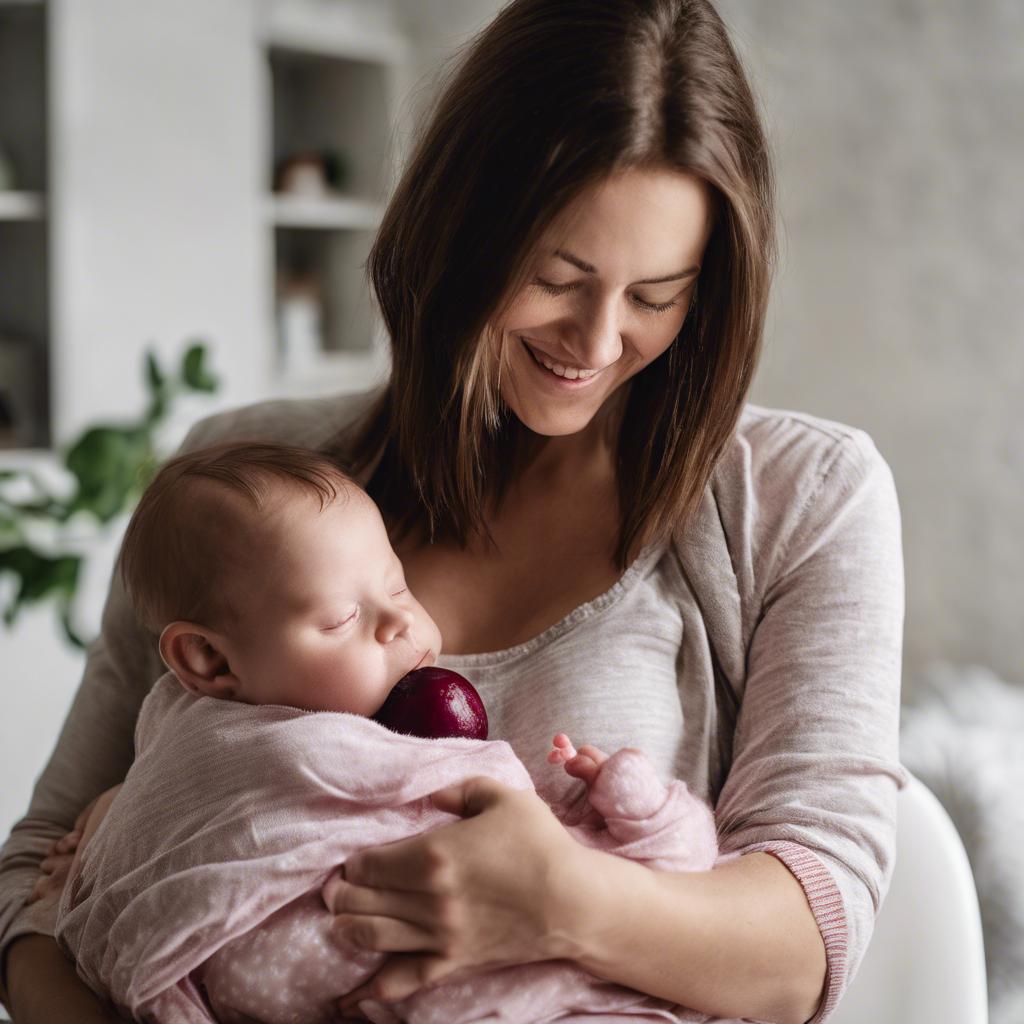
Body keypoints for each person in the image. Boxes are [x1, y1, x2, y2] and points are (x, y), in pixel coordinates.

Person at [0, 1, 907, 1022]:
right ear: (460, 232)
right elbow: (35, 872)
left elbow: (808, 940)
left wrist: (558, 902)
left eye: (656, 296)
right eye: (557, 279)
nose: (597, 342)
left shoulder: (801, 496)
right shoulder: (239, 486)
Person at [42, 440, 720, 1024]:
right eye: (342, 619)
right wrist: (110, 832)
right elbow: (159, 824)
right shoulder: (220, 745)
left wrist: (627, 810)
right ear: (210, 661)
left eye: (398, 588)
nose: (398, 624)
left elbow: (537, 852)